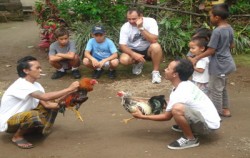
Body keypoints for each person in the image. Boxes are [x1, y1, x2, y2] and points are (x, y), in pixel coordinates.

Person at [132, 59, 221, 150]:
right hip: (210, 121)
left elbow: (167, 116)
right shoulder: (186, 84)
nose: (165, 70)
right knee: (176, 107)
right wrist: (145, 101)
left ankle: (190, 139)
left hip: (207, 127)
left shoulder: (180, 92)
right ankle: (186, 126)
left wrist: (142, 117)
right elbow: (171, 102)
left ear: (175, 74)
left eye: (168, 68)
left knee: (177, 109)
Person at [0, 56, 79, 149]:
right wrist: (69, 89)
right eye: (37, 68)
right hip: (9, 122)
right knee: (33, 115)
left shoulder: (37, 85)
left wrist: (69, 97)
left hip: (22, 117)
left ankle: (36, 129)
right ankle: (17, 137)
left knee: (50, 104)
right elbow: (45, 96)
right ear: (26, 70)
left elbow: (48, 103)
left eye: (40, 67)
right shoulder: (21, 84)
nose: (40, 70)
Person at [190, 3, 236, 117]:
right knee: (222, 87)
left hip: (219, 65)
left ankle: (215, 113)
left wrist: (196, 58)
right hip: (228, 63)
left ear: (217, 17)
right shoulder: (229, 28)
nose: (209, 18)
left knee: (215, 89)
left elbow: (211, 51)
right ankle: (225, 109)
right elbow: (232, 45)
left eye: (210, 16)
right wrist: (223, 48)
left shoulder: (217, 31)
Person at [119, 8, 163, 83]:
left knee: (156, 46)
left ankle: (155, 72)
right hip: (133, 49)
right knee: (124, 60)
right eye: (129, 19)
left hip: (148, 48)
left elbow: (154, 40)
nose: (131, 21)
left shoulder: (150, 21)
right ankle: (137, 63)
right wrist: (133, 54)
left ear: (141, 16)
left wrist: (141, 28)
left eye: (134, 19)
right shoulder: (125, 27)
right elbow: (122, 45)